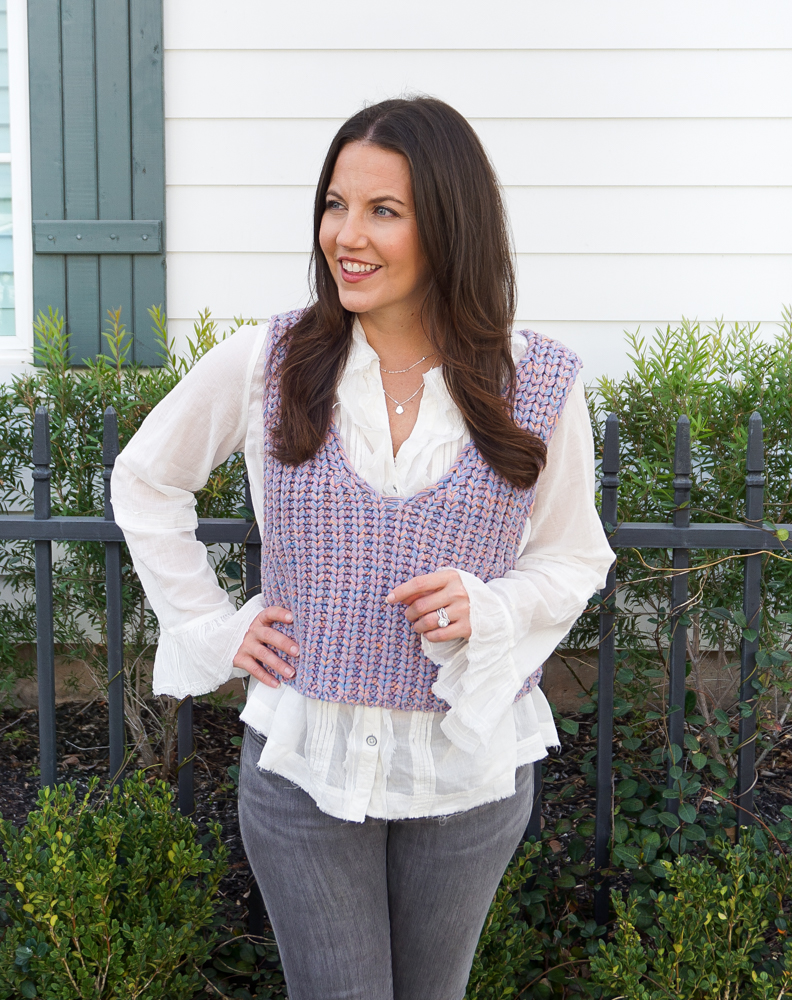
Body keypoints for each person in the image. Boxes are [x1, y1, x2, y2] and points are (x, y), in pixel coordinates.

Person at [111, 96, 615, 1000]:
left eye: (384, 210)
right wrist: (208, 625)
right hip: (307, 765)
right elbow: (146, 479)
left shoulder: (536, 382)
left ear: (449, 225)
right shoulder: (267, 361)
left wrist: (491, 607)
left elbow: (573, 557)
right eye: (336, 204)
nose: (348, 233)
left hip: (468, 772)